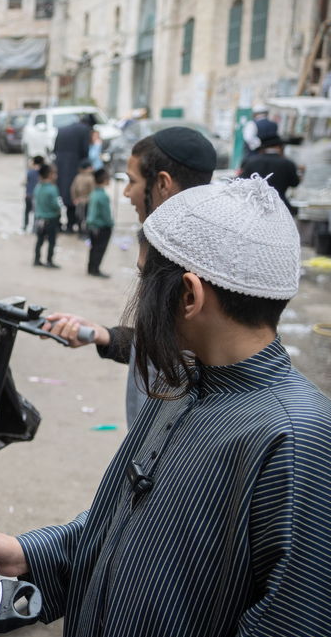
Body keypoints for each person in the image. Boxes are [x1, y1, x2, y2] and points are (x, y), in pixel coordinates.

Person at [0, 177, 331, 637]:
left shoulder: (299, 442)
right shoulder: (183, 385)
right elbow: (127, 528)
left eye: (145, 278)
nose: (139, 297)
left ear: (189, 295)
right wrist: (28, 554)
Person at [41, 127, 217, 429]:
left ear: (162, 183)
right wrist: (105, 336)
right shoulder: (164, 244)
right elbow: (161, 345)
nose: (126, 193)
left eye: (132, 181)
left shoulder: (201, 262)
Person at [238, 120, 302, 214]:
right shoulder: (288, 163)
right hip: (280, 208)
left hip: (254, 208)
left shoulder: (250, 161)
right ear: (280, 147)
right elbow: (294, 183)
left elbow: (241, 182)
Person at [53, 113, 93, 230]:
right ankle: (72, 224)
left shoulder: (63, 129)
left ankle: (60, 224)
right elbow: (85, 151)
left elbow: (55, 149)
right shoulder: (84, 129)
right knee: (73, 194)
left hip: (60, 164)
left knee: (62, 194)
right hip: (73, 165)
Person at [84, 168, 113, 278]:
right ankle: (95, 270)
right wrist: (111, 224)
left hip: (91, 226)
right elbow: (106, 215)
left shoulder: (93, 193)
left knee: (93, 248)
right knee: (99, 249)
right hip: (101, 227)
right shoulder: (103, 196)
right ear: (105, 180)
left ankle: (91, 268)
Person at [33, 162, 62, 268]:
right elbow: (55, 204)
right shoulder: (52, 189)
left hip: (39, 218)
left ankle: (37, 260)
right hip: (51, 219)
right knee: (51, 241)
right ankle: (49, 261)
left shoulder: (38, 187)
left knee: (39, 240)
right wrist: (59, 210)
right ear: (50, 174)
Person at [70, 161, 95, 237]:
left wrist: (75, 199)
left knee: (79, 217)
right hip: (88, 201)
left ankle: (80, 232)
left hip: (78, 201)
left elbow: (73, 189)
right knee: (87, 217)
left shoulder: (78, 177)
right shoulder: (91, 178)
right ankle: (86, 232)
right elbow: (93, 191)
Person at [24, 154, 45, 233]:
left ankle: (25, 226)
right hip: (37, 196)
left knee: (27, 212)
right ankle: (35, 229)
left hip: (29, 195)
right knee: (37, 213)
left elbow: (25, 182)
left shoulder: (30, 172)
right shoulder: (42, 173)